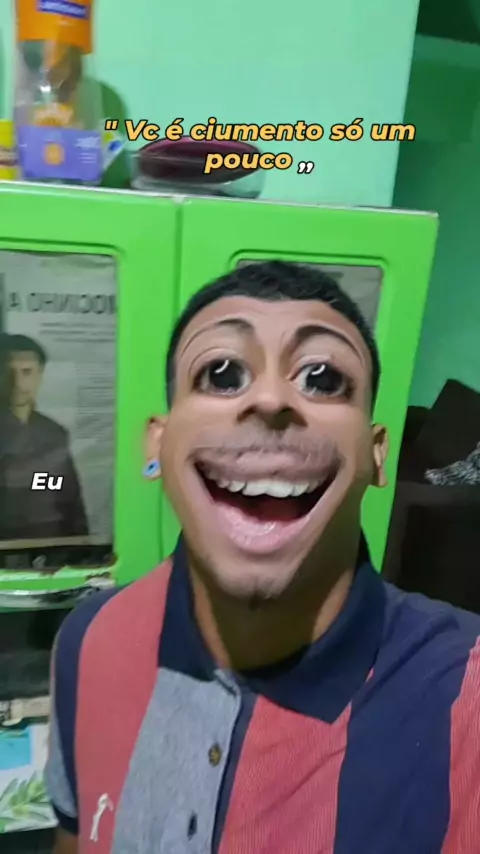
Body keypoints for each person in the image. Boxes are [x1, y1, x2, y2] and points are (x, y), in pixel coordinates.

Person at [46, 262, 480, 854]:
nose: (271, 399)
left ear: (377, 454)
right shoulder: (89, 637)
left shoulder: (465, 695)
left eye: (322, 378)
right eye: (222, 374)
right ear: (158, 444)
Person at [0, 333, 89, 541]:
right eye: (8, 372)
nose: (18, 382)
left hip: (49, 543)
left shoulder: (53, 433)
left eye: (27, 372)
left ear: (40, 375)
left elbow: (67, 495)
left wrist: (82, 545)